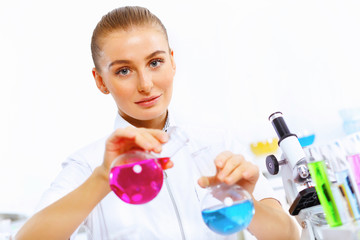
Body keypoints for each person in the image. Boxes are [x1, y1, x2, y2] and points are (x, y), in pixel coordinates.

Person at [15, 6, 300, 240]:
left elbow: (288, 235)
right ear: (101, 81)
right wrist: (105, 177)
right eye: (124, 70)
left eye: (155, 63)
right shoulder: (88, 166)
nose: (146, 84)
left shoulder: (216, 146)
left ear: (172, 62)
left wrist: (245, 201)